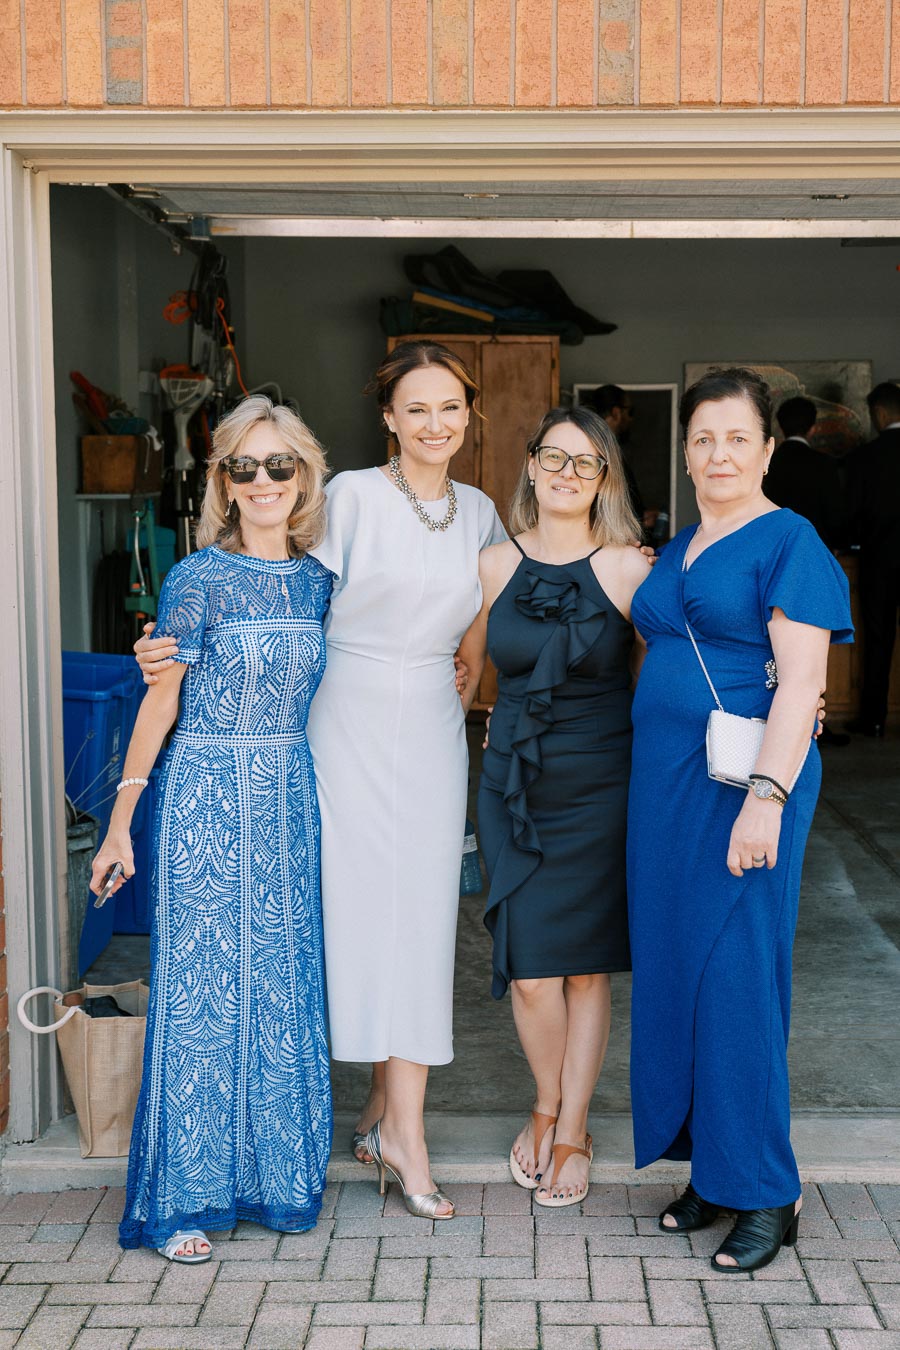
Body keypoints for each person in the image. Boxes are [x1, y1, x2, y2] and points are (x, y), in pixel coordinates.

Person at [135, 342, 506, 1221]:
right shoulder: (347, 499)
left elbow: (484, 611)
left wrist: (471, 666)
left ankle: (396, 1121)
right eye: (416, 408)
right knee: (341, 919)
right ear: (387, 418)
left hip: (431, 728)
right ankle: (362, 1123)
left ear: (468, 415)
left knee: (420, 918)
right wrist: (171, 646)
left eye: (450, 407)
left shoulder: (483, 511)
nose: (434, 423)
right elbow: (272, 584)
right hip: (337, 717)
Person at [92, 396, 334, 1263]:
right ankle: (187, 1195)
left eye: (279, 465)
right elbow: (160, 703)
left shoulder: (318, 582)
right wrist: (121, 825)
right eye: (245, 467)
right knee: (201, 993)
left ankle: (271, 1180)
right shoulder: (197, 577)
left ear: (303, 475)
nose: (263, 482)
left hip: (288, 796)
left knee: (278, 986)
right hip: (203, 793)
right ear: (221, 481)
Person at [627, 367, 853, 1273]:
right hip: (666, 794)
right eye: (702, 439)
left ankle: (767, 1190)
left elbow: (803, 683)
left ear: (766, 449)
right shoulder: (679, 545)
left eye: (736, 438)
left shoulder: (788, 539)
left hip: (744, 790)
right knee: (681, 972)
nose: (718, 454)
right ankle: (715, 1173)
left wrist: (767, 797)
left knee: (740, 980)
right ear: (686, 455)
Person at [457, 407, 651, 1208]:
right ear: (531, 466)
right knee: (532, 974)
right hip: (513, 783)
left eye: (587, 462)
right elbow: (461, 673)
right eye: (555, 458)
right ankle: (544, 1101)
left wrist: (791, 698)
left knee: (585, 970)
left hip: (602, 781)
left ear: (604, 479)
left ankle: (571, 1127)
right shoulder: (491, 565)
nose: (569, 473)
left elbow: (674, 674)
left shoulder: (632, 570)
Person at [848, 381, 900, 737]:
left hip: (879, 560)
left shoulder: (865, 457)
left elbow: (852, 513)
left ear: (879, 413)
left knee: (878, 640)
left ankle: (875, 719)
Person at [764, 396, 847, 549]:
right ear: (813, 429)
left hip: (773, 548)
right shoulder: (825, 464)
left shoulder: (767, 463)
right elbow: (834, 514)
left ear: (781, 429)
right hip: (816, 547)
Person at [582, 385, 644, 529]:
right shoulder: (599, 454)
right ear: (616, 413)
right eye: (630, 412)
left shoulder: (602, 451)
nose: (631, 419)